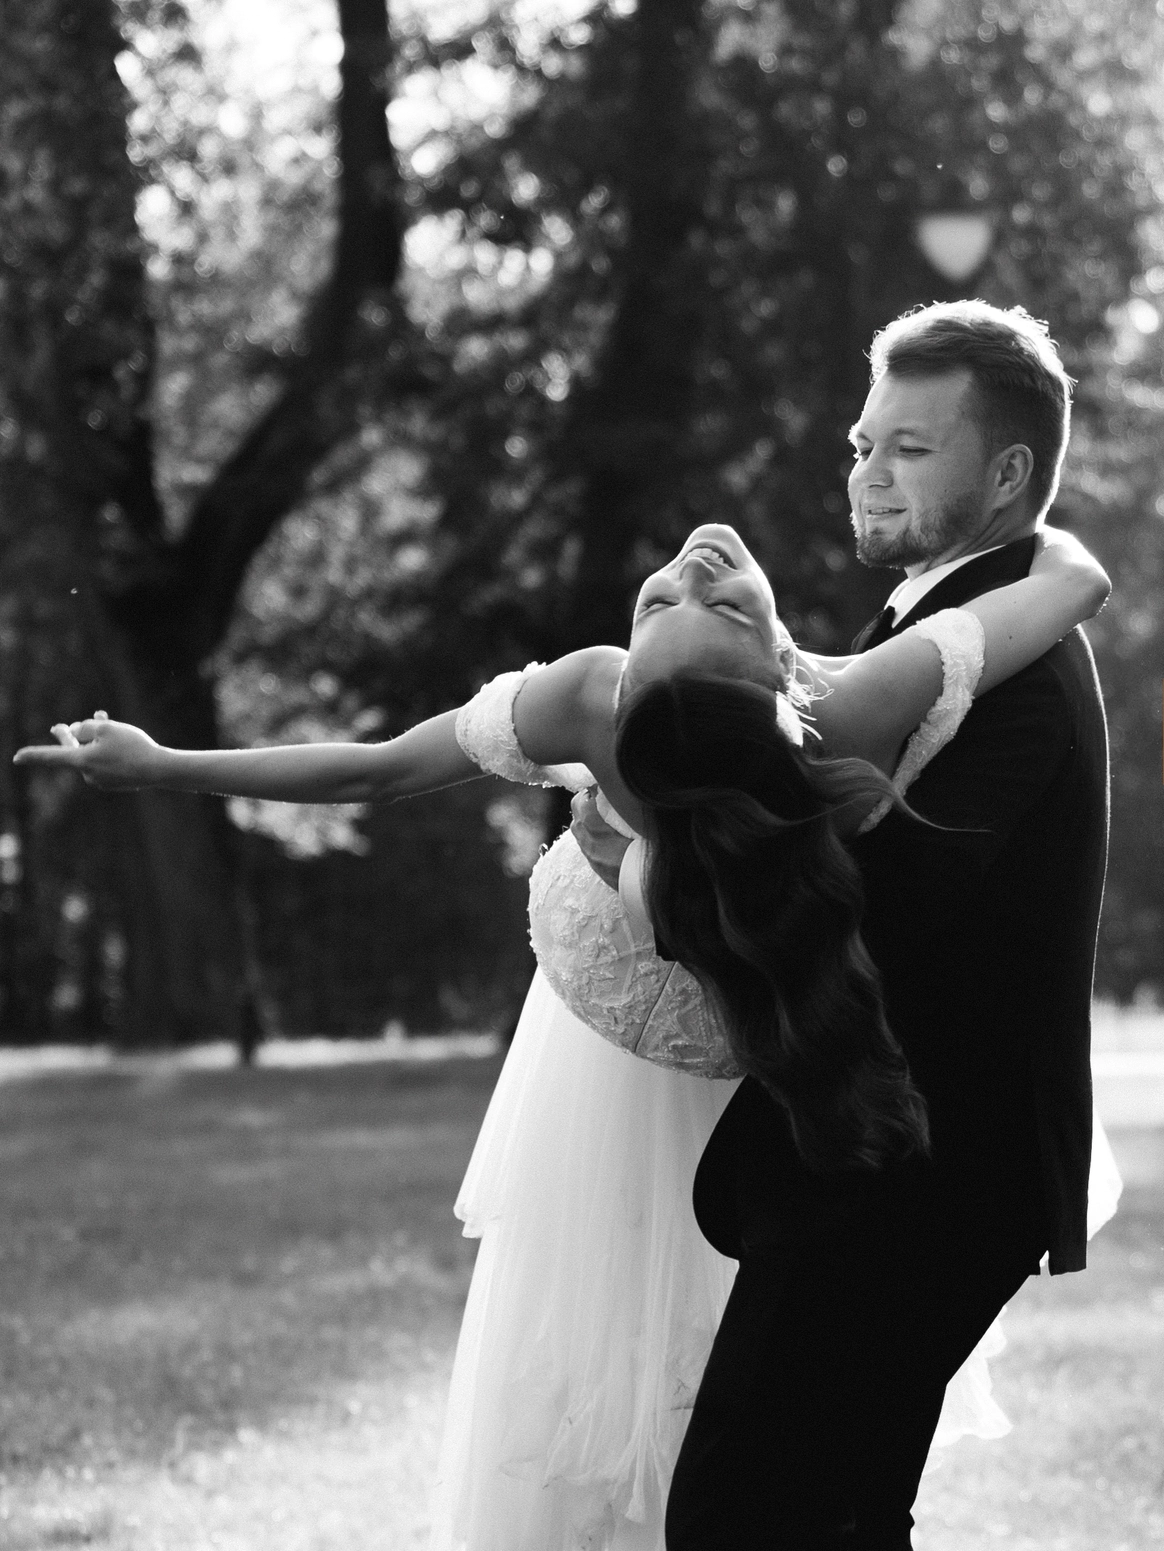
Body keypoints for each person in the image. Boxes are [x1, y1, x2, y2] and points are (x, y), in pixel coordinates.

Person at [14, 480, 1116, 1548]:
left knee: (732, 1418)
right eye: (669, 600)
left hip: (744, 1092)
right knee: (587, 1408)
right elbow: (1069, 582)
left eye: (712, 603)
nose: (694, 568)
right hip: (603, 1086)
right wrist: (163, 765)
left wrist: (164, 766)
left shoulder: (687, 707)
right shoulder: (785, 700)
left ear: (780, 682)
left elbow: (389, 774)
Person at [566, 302, 1116, 1550]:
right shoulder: (942, 627)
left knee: (745, 1516)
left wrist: (650, 873)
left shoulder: (1024, 672)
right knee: (824, 1516)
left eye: (911, 450)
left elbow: (886, 912)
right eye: (865, 443)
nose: (868, 471)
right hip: (884, 1169)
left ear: (1007, 475)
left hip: (926, 1176)